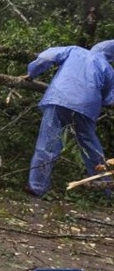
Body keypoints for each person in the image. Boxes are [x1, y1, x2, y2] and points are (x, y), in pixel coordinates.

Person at [23, 40, 114, 198]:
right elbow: (109, 98)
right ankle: (108, 191)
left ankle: (36, 187)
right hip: (86, 107)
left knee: (48, 144)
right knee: (91, 148)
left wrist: (32, 73)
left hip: (59, 98)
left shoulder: (74, 50)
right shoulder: (108, 68)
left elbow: (46, 57)